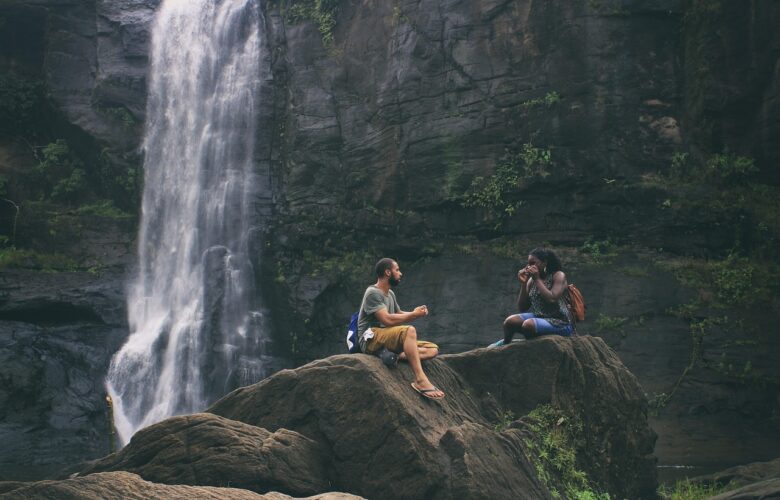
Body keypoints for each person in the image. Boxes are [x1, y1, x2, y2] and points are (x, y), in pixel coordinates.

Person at [357, 258, 444, 399]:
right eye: (397, 270)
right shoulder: (373, 292)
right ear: (387, 272)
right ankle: (420, 380)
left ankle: (394, 355)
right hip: (370, 337)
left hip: (386, 336)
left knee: (432, 349)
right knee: (409, 330)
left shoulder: (390, 293)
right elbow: (386, 319)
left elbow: (397, 313)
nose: (400, 273)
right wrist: (413, 316)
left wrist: (415, 313)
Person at [490, 247, 573, 347]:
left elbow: (552, 298)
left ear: (544, 263)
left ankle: (531, 345)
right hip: (540, 317)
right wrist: (524, 283)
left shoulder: (558, 276)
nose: (529, 267)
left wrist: (537, 279)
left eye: (533, 263)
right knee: (510, 322)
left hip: (560, 322)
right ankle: (505, 345)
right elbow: (522, 308)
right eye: (528, 264)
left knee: (528, 325)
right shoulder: (531, 281)